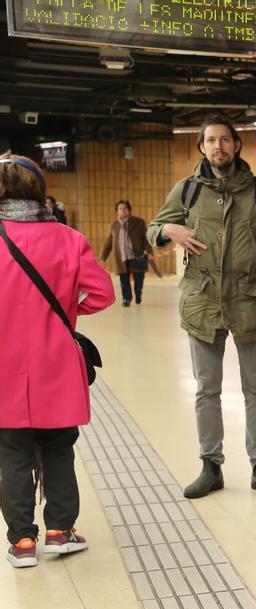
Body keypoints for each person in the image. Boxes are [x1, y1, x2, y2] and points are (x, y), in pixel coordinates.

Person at [147, 114, 256, 500]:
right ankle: (210, 466)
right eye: (211, 140)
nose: (218, 147)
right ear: (202, 146)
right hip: (202, 303)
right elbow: (153, 230)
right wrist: (168, 230)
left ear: (236, 145)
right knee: (206, 390)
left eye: (225, 140)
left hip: (251, 304)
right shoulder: (188, 190)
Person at [0, 154, 115, 567]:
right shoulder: (68, 238)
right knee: (59, 447)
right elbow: (102, 294)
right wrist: (64, 307)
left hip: (4, 366)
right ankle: (60, 532)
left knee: (12, 452)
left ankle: (22, 543)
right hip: (56, 363)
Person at [101, 200, 153, 307]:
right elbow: (109, 242)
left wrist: (149, 252)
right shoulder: (114, 225)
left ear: (129, 210)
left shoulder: (139, 222)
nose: (122, 210)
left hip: (136, 255)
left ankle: (138, 293)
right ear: (117, 212)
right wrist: (102, 257)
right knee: (124, 280)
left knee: (139, 279)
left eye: (124, 208)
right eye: (120, 208)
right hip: (121, 257)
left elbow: (146, 238)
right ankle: (126, 299)